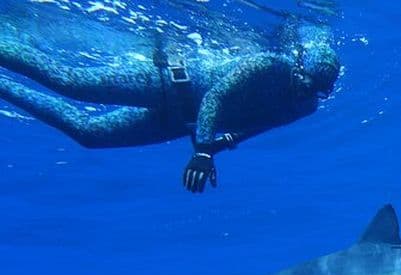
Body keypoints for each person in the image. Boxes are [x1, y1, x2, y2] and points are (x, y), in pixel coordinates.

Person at [0, 19, 340, 193]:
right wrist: (204, 151)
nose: (306, 93)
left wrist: (218, 146)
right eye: (306, 84)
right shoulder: (270, 64)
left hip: (182, 123)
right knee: (69, 82)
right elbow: (215, 97)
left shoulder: (307, 106)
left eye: (319, 92)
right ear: (298, 67)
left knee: (88, 134)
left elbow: (255, 127)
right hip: (170, 86)